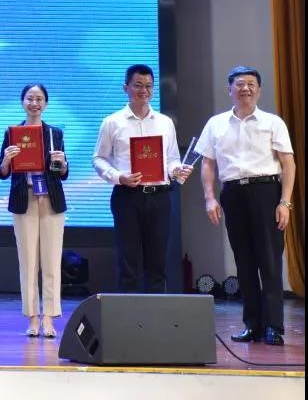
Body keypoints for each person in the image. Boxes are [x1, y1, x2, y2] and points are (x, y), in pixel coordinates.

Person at [194, 66, 295, 346]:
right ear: (229, 89)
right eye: (239, 84)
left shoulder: (273, 122)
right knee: (245, 263)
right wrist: (209, 197)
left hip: (266, 192)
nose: (245, 88)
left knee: (269, 262)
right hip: (233, 194)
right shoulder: (215, 124)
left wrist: (285, 202)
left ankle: (274, 326)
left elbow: (288, 164)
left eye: (251, 83)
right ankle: (252, 324)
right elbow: (208, 163)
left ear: (259, 90)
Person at [93, 64, 192, 294]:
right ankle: (127, 314)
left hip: (159, 197)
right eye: (138, 85)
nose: (144, 91)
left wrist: (177, 170)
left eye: (148, 86)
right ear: (125, 88)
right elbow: (98, 159)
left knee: (157, 261)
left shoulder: (165, 122)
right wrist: (119, 177)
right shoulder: (112, 122)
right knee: (128, 260)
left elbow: (172, 158)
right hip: (127, 196)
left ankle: (155, 313)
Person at [0, 83, 68, 338]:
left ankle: (49, 318)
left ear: (45, 103)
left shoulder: (54, 133)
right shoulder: (13, 132)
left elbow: (63, 173)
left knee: (51, 261)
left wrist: (62, 163)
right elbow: (2, 172)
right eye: (30, 98)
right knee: (27, 261)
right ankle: (32, 318)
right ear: (22, 102)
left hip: (51, 200)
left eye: (39, 99)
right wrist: (7, 158)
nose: (34, 103)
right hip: (23, 199)